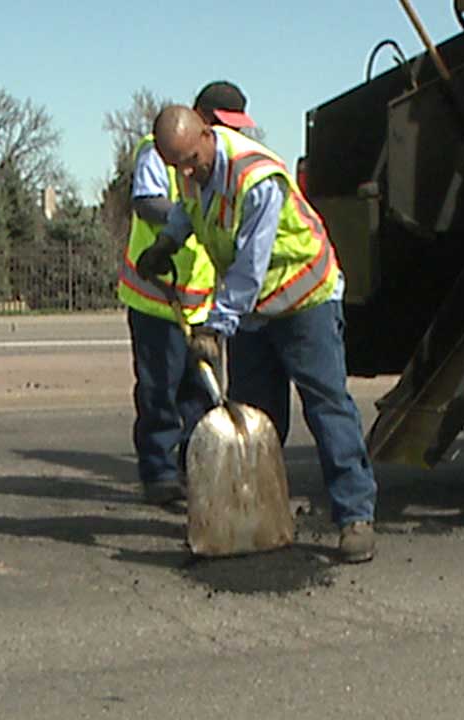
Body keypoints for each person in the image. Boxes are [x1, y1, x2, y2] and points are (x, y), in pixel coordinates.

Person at [136, 105, 378, 563]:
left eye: (191, 160)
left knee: (327, 406)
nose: (187, 171)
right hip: (252, 311)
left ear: (208, 134)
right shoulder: (192, 170)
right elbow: (190, 211)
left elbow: (251, 265)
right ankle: (252, 519)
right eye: (177, 166)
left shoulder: (257, 176)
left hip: (303, 297)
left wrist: (216, 323)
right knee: (251, 416)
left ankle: (355, 516)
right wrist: (167, 241)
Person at [118, 82, 257, 506]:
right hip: (157, 297)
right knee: (160, 390)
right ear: (199, 119)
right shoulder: (157, 151)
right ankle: (158, 473)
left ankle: (195, 469)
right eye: (218, 123)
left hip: (201, 303)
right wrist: (188, 221)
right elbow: (147, 201)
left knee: (199, 393)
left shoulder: (228, 165)